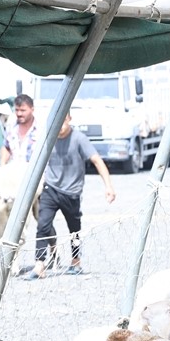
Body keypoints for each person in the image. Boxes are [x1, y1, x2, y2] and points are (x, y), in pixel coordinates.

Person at [27, 111, 115, 279]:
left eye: (63, 120)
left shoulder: (79, 138)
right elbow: (35, 162)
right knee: (43, 225)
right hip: (50, 188)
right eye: (56, 122)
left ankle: (75, 261)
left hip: (72, 192)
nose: (60, 126)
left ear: (69, 119)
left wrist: (108, 186)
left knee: (74, 229)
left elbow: (97, 160)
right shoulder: (47, 137)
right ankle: (39, 264)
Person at [0, 93, 40, 166]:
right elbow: (6, 147)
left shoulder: (40, 130)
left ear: (32, 109)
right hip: (13, 172)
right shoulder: (11, 127)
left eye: (23, 110)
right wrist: (2, 164)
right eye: (16, 110)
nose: (19, 113)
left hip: (33, 174)